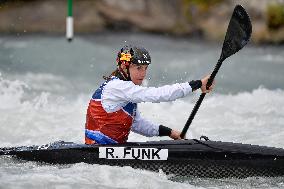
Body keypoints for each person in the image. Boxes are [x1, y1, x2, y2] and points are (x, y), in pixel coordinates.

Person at [85, 45, 214, 145]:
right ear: (124, 67)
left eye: (146, 68)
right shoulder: (117, 87)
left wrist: (170, 132)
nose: (143, 73)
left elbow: (137, 125)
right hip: (97, 151)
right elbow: (157, 94)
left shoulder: (124, 92)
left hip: (109, 152)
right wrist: (197, 84)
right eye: (138, 68)